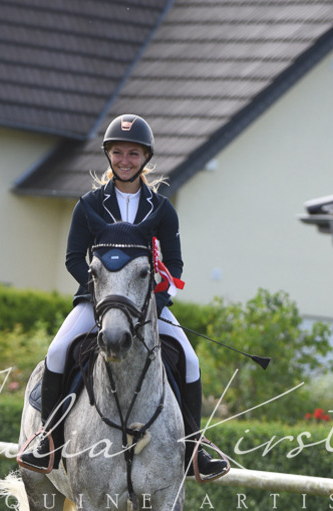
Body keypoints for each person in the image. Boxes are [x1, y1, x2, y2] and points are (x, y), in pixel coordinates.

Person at [17, 113, 229, 480]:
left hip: (147, 305)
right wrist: (103, 295)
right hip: (97, 302)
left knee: (190, 360)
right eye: (118, 152)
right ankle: (47, 441)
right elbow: (73, 258)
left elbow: (174, 266)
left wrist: (154, 303)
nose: (125, 160)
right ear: (108, 155)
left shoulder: (161, 209)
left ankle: (194, 448)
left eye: (133, 153)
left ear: (145, 157)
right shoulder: (88, 205)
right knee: (57, 351)